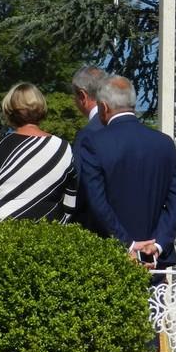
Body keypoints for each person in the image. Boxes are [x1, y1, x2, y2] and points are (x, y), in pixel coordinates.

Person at [76, 75, 176, 352]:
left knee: (103, 327)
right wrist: (156, 242)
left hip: (109, 253)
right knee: (150, 328)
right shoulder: (162, 144)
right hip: (154, 257)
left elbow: (96, 200)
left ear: (103, 107)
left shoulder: (94, 143)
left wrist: (126, 243)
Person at [0, 83, 77, 225]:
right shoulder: (63, 147)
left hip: (5, 232)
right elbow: (70, 200)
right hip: (52, 232)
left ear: (10, 110)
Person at [71, 66, 106, 229]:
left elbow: (79, 187)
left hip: (96, 228)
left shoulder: (87, 136)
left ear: (82, 95)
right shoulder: (130, 130)